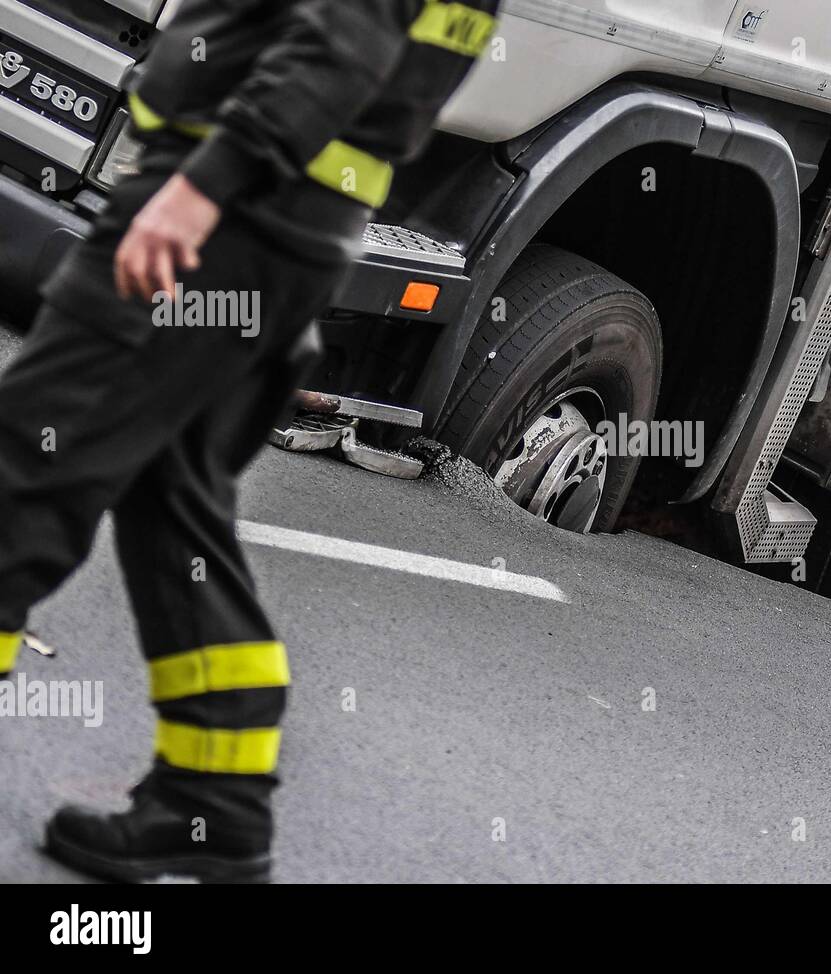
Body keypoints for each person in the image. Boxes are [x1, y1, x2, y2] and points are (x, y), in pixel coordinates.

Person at [0, 0, 499, 883]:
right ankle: (212, 801)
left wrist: (201, 187)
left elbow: (346, 39)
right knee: (173, 499)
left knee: (28, 461)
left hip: (225, 213)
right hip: (283, 228)